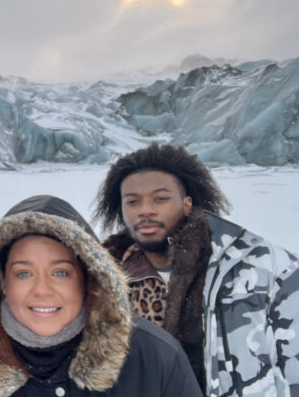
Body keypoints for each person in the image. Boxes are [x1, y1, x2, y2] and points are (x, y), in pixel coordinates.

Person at [94, 143, 299, 396]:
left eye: (161, 198)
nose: (145, 210)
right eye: (133, 202)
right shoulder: (100, 278)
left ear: (187, 204)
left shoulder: (254, 266)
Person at [0, 195, 202, 397]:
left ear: (87, 279)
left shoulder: (154, 357)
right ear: (3, 282)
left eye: (60, 272)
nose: (42, 289)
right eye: (24, 273)